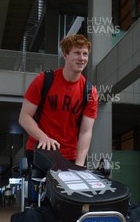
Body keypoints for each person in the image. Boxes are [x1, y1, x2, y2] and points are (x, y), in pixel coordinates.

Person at [19, 34, 98, 166]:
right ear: (65, 55)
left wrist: (79, 164)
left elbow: (86, 132)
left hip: (69, 157)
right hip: (39, 152)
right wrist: (42, 137)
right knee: (38, 186)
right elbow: (24, 117)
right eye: (77, 53)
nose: (82, 58)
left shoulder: (90, 92)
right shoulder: (44, 80)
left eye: (85, 54)